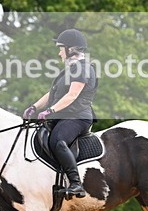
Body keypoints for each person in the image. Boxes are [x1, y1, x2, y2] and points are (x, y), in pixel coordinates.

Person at [23, 29, 97, 198]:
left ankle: (76, 183)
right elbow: (53, 94)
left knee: (58, 140)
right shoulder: (69, 70)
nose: (59, 53)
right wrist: (34, 107)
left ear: (71, 49)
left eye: (60, 48)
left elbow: (72, 95)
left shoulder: (82, 69)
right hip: (63, 116)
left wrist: (50, 110)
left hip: (77, 117)